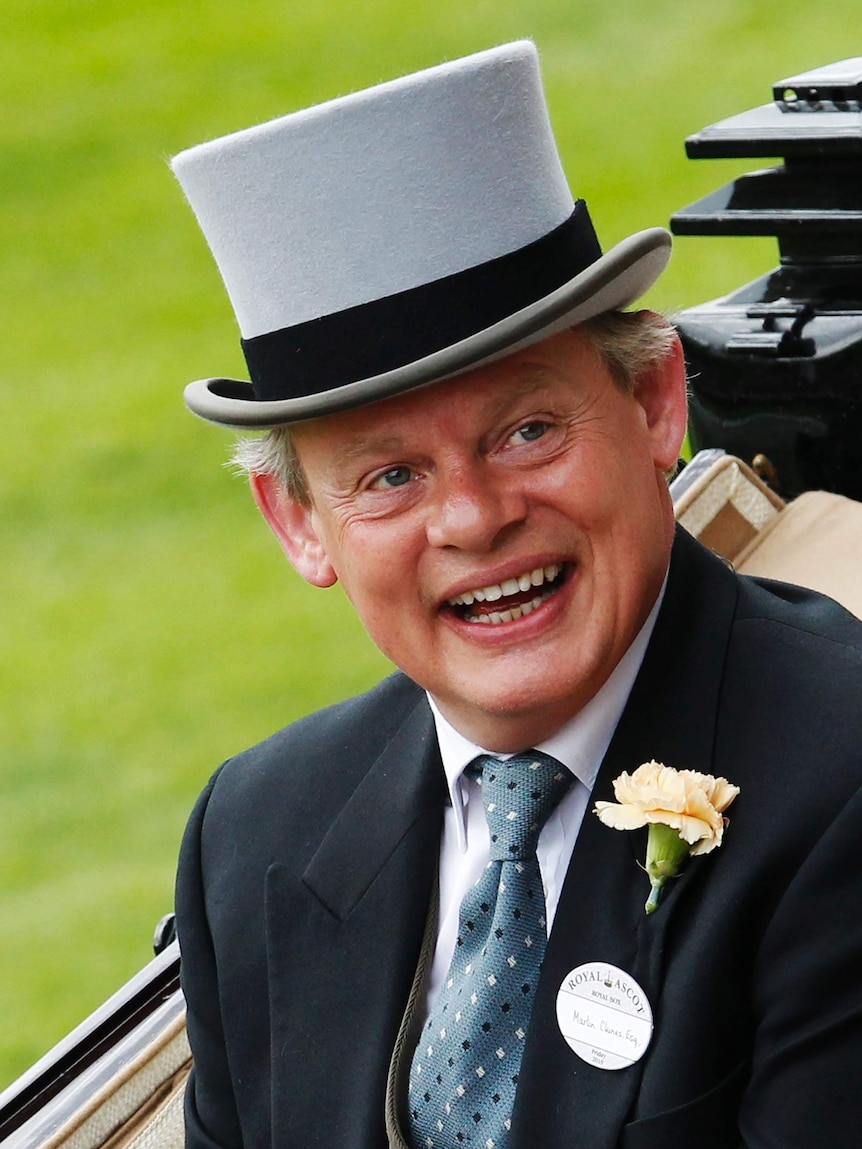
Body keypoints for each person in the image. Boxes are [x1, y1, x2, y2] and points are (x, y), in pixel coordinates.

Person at [171, 41, 862, 1149]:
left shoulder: (843, 780)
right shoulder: (257, 830)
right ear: (302, 526)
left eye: (525, 431)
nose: (474, 519)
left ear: (652, 405)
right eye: (390, 476)